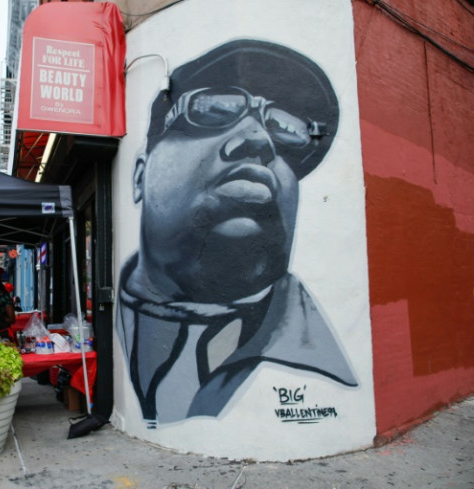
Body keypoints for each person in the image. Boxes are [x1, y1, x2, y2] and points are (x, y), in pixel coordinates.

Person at [116, 39, 358, 426]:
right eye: (214, 108)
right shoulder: (103, 328)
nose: (259, 139)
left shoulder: (323, 369)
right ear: (141, 177)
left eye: (285, 129)